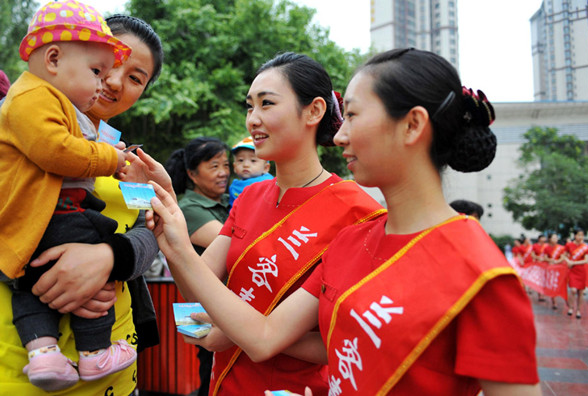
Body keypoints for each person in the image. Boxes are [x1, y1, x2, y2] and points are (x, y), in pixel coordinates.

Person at [147, 48, 540, 395]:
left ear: (413, 125)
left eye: (352, 115)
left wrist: (183, 249)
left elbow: (269, 338)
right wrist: (178, 245)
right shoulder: (355, 240)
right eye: (249, 106)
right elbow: (279, 335)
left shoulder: (483, 276)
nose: (339, 136)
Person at [141, 52, 385, 395]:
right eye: (249, 106)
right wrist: (171, 239)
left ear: (314, 111)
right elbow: (194, 290)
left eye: (267, 104)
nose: (253, 119)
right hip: (223, 384)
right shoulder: (251, 198)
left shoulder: (359, 212)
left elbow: (344, 341)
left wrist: (238, 328)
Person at [0, 12, 165, 395]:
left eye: (135, 78)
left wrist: (111, 259)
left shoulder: (133, 161)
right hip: (18, 367)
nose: (112, 81)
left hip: (113, 368)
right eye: (105, 66)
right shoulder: (17, 131)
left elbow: (152, 234)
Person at [165, 136, 231, 396]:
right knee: (211, 375)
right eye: (214, 166)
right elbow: (237, 245)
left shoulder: (226, 202)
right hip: (200, 310)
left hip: (221, 308)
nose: (223, 173)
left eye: (226, 165)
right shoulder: (188, 208)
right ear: (192, 173)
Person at [228, 136, 273, 206]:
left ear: (266, 168)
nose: (246, 165)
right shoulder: (234, 186)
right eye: (240, 160)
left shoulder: (270, 183)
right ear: (234, 167)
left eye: (253, 160)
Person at [563, 228, 588, 319]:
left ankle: (578, 310)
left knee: (580, 292)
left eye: (582, 235)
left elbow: (586, 260)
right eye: (579, 235)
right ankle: (571, 308)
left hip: (581, 271)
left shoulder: (585, 247)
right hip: (572, 271)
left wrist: (573, 263)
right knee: (573, 290)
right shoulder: (569, 245)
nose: (580, 237)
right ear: (575, 236)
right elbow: (563, 255)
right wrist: (568, 261)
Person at [542, 233, 566, 310]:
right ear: (550, 239)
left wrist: (556, 261)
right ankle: (554, 302)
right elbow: (545, 258)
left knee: (559, 284)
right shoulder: (546, 248)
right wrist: (550, 260)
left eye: (556, 238)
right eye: (554, 238)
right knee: (552, 284)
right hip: (550, 269)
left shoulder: (561, 248)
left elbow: (562, 258)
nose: (556, 239)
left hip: (559, 269)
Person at [531, 234, 548, 303]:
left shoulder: (546, 246)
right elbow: (532, 254)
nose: (544, 239)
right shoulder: (535, 246)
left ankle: (543, 293)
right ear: (539, 239)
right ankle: (540, 294)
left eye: (544, 238)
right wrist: (538, 258)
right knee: (539, 280)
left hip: (545, 264)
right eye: (542, 238)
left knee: (544, 280)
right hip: (538, 264)